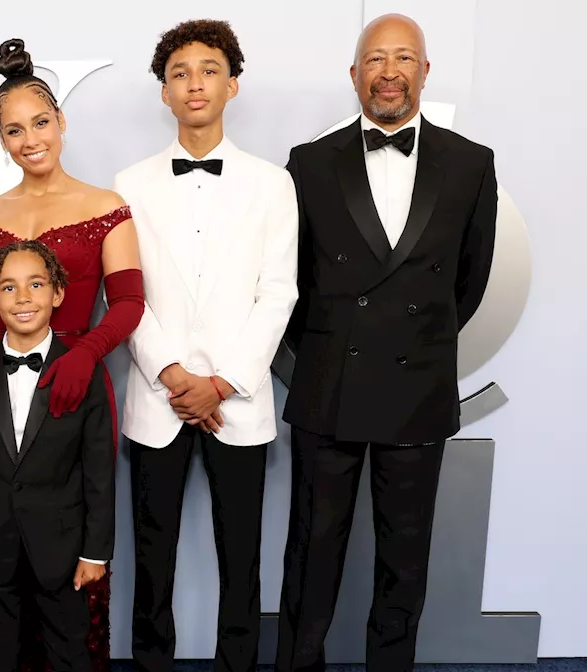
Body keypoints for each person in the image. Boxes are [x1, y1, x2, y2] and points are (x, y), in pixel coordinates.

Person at [274, 14, 498, 672]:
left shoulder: (470, 163)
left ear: (425, 72)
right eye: (375, 59)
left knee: (405, 563)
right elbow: (293, 282)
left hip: (417, 386)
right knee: (311, 559)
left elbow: (470, 280)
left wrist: (417, 339)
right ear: (354, 75)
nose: (390, 71)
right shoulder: (310, 164)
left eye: (404, 58)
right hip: (328, 387)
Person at [0, 38, 145, 672]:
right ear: (0, 140)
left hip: (75, 390)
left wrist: (84, 354)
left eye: (39, 122)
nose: (29, 139)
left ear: (60, 124)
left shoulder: (105, 208)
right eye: (13, 130)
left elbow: (130, 305)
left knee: (68, 573)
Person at [113, 19, 300, 672]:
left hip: (237, 401)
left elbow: (278, 294)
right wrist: (172, 373)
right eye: (180, 74)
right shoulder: (128, 184)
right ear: (163, 92)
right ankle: (151, 663)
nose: (195, 84)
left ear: (233, 85)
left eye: (209, 70)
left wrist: (221, 382)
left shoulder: (273, 184)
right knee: (151, 552)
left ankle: (237, 665)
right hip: (156, 399)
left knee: (241, 554)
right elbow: (126, 294)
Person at [0, 240, 116, 672]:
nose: (23, 298)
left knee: (68, 653)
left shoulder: (85, 371)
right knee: (3, 654)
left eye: (36, 284)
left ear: (57, 293)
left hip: (62, 545)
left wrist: (96, 552)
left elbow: (98, 469)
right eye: (8, 288)